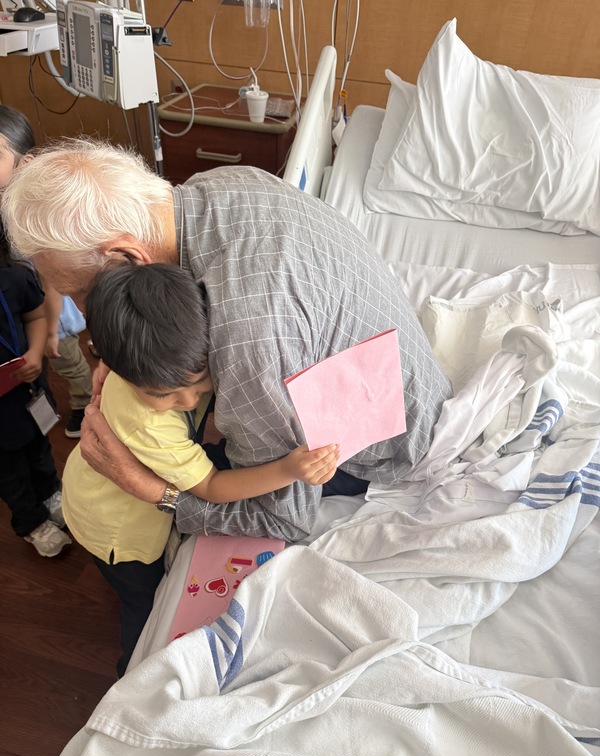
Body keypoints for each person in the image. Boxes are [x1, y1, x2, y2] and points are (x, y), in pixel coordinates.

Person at [2, 138, 451, 543]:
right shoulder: (212, 188)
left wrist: (151, 490)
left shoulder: (245, 336)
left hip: (387, 453)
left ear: (127, 257)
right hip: (401, 378)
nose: (85, 316)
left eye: (82, 295)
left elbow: (283, 518)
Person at [63, 262, 338, 675]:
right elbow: (210, 486)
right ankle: (132, 676)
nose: (189, 401)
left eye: (200, 381)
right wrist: (288, 469)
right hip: (116, 530)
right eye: (165, 394)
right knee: (143, 604)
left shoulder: (163, 352)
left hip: (88, 492)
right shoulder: (146, 422)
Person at [0, 105, 92, 438]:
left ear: (24, 163)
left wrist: (52, 331)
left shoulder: (30, 216)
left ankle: (83, 402)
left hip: (55, 314)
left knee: (68, 362)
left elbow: (52, 283)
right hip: (28, 307)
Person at [0, 220, 71, 556]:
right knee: (9, 473)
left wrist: (34, 352)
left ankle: (50, 493)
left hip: (27, 390)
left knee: (40, 450)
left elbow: (35, 317)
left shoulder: (15, 276)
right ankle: (31, 521)